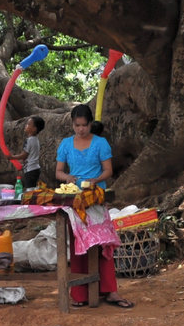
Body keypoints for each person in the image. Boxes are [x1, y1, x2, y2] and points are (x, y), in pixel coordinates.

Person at [55, 104, 133, 308]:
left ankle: (110, 291)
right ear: (72, 124)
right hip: (75, 199)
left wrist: (94, 180)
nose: (80, 129)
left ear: (90, 124)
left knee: (103, 242)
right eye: (77, 125)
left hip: (96, 196)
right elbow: (59, 172)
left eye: (84, 125)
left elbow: (108, 170)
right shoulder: (65, 144)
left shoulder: (101, 143)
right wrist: (69, 178)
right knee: (79, 244)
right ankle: (79, 294)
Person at [18, 116, 44, 190]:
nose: (26, 125)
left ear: (34, 129)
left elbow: (24, 155)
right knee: (32, 188)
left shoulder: (29, 140)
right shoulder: (36, 140)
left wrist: (11, 157)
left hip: (31, 169)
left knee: (30, 190)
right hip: (35, 168)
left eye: (28, 124)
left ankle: (31, 201)